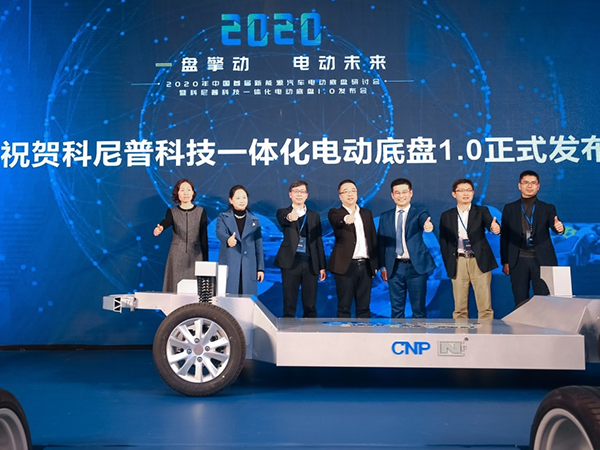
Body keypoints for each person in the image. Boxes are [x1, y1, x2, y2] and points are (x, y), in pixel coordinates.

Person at [500, 170, 565, 308]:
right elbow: (505, 237)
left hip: (542, 260)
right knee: (520, 300)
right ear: (519, 186)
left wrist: (560, 228)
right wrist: (505, 261)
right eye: (526, 183)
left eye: (533, 183)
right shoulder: (509, 208)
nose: (529, 186)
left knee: (544, 300)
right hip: (518, 260)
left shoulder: (547, 208)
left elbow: (555, 226)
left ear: (538, 186)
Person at [439, 179, 501, 320]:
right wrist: (449, 262)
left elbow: (491, 224)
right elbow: (444, 242)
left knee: (485, 308)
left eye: (469, 190)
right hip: (458, 261)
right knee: (459, 309)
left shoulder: (481, 211)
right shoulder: (447, 215)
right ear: (454, 194)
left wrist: (495, 228)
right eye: (461, 191)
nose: (465, 194)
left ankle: (486, 333)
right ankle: (461, 333)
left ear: (473, 193)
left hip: (479, 260)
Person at [377, 178, 435, 319]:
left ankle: (420, 333)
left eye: (404, 192)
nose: (401, 196)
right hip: (394, 267)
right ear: (392, 195)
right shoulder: (385, 217)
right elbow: (381, 244)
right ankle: (397, 333)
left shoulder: (419, 212)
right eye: (397, 193)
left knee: (418, 309)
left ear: (411, 193)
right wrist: (383, 267)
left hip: (416, 267)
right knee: (396, 310)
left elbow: (424, 220)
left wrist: (427, 226)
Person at [274, 181, 327, 318]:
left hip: (310, 263)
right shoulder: (283, 212)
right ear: (290, 194)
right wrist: (290, 217)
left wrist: (322, 266)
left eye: (302, 191)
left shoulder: (314, 216)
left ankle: (310, 329)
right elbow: (284, 219)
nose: (299, 194)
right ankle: (287, 329)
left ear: (307, 195)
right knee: (289, 302)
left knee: (310, 304)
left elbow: (318, 241)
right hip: (290, 262)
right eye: (296, 191)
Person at [328, 180, 378, 318]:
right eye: (346, 191)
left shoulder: (366, 213)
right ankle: (344, 331)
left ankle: (364, 331)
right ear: (340, 196)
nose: (350, 194)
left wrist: (375, 263)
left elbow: (372, 238)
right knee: (344, 307)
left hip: (366, 265)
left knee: (364, 307)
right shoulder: (335, 213)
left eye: (353, 191)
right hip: (345, 266)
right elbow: (337, 220)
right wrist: (346, 219)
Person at [153, 179, 208, 293]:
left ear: (193, 192)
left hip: (196, 255)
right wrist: (160, 227)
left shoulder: (201, 211)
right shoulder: (172, 212)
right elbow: (167, 221)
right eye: (182, 190)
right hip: (177, 256)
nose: (185, 193)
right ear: (177, 193)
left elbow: (204, 237)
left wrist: (205, 260)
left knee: (195, 291)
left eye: (188, 189)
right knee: (175, 288)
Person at [216, 185, 265, 296]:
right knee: (228, 300)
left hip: (249, 267)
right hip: (230, 264)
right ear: (231, 200)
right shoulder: (223, 217)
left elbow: (259, 247)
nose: (242, 201)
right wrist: (228, 239)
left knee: (249, 300)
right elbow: (219, 232)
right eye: (238, 198)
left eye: (244, 197)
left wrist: (260, 269)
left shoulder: (255, 220)